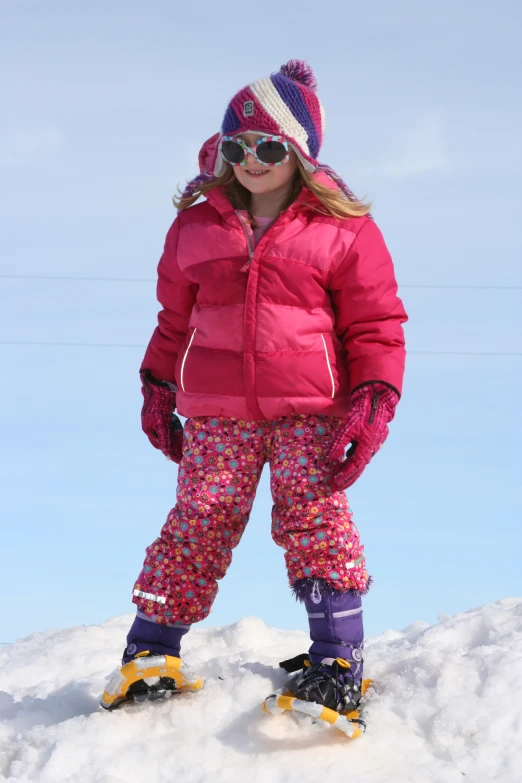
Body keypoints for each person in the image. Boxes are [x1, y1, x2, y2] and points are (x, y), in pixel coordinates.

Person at [101, 60, 407, 714]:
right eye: (238, 146)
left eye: (270, 146)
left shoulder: (342, 226)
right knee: (200, 517)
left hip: (309, 408)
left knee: (313, 513)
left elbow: (377, 322)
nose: (252, 159)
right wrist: (157, 385)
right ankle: (150, 649)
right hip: (217, 409)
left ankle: (337, 656)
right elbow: (172, 319)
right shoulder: (197, 224)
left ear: (299, 152)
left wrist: (374, 399)